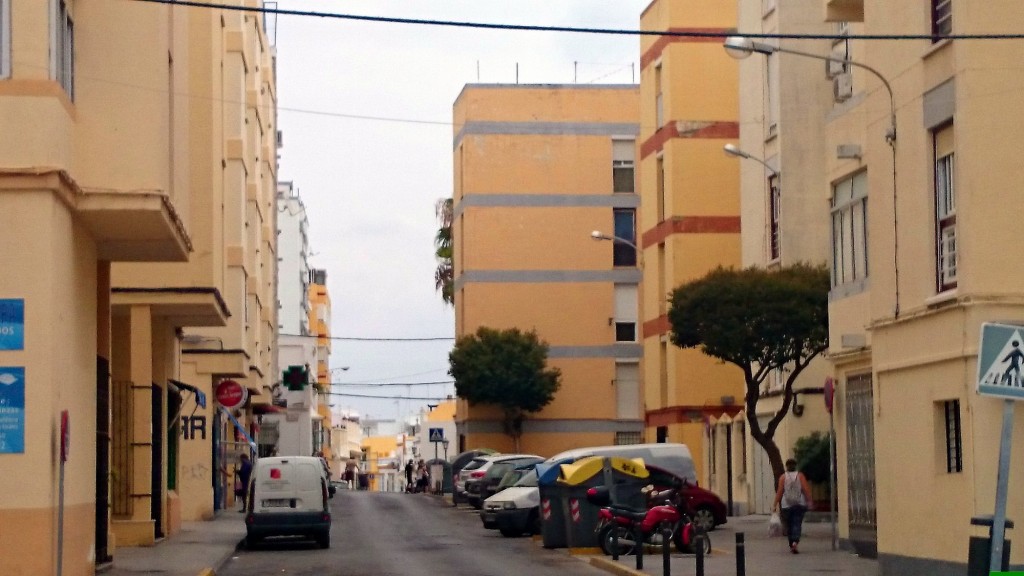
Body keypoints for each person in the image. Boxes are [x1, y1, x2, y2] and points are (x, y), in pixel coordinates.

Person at [774, 458, 813, 554]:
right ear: (796, 466)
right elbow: (805, 489)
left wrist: (774, 504)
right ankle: (795, 541)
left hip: (786, 505)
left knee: (789, 524)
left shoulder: (783, 477)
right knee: (797, 523)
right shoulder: (800, 476)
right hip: (799, 503)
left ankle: (791, 543)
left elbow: (779, 492)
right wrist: (809, 500)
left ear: (786, 466)